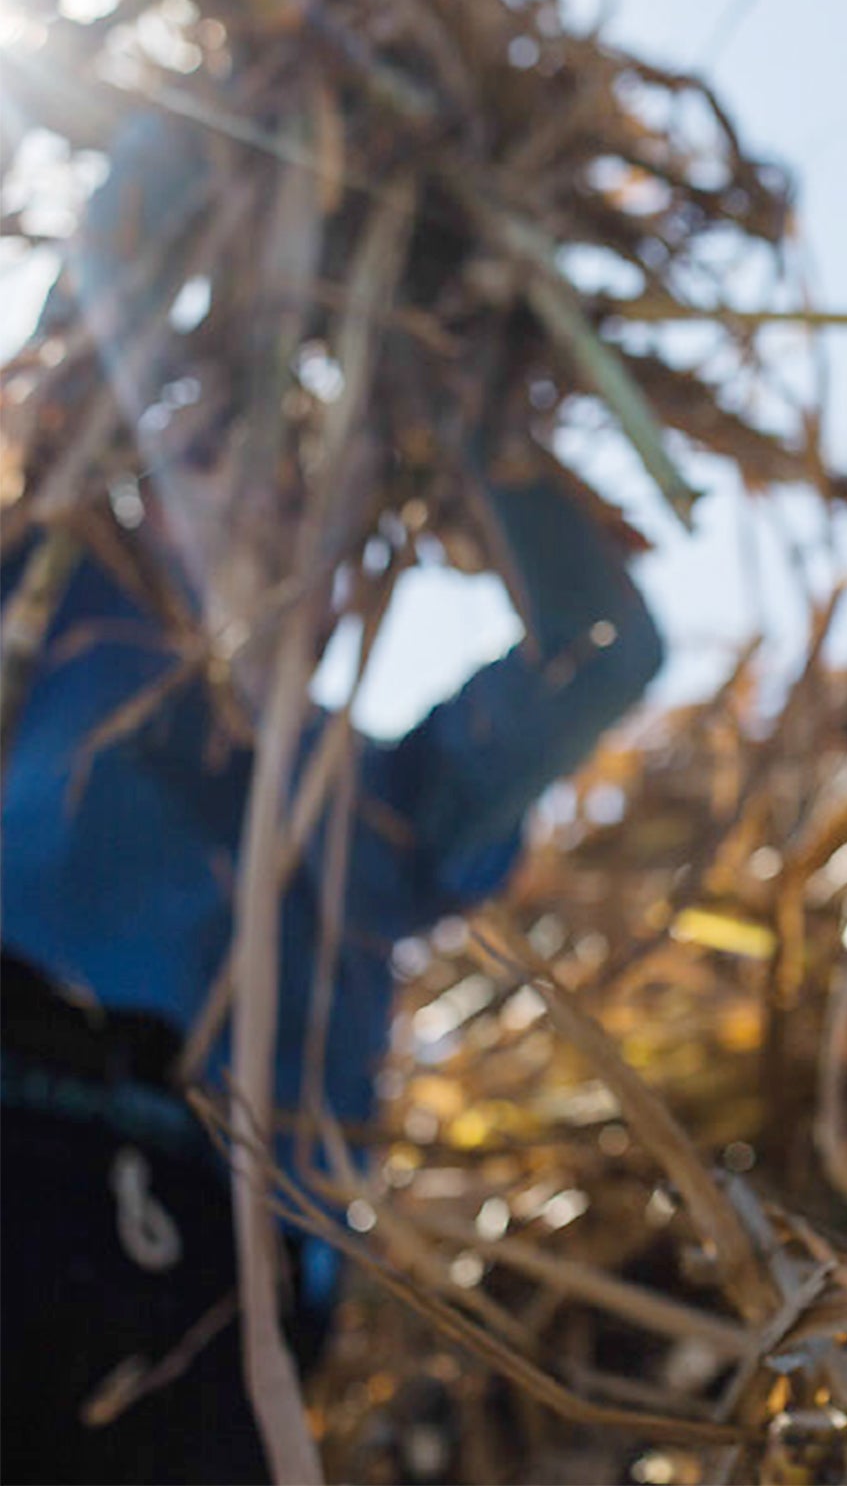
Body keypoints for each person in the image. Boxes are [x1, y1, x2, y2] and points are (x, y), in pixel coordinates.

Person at [1, 119, 664, 1482]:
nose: (246, 497)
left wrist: (452, 369)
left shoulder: (385, 798)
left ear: (356, 519)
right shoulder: (58, 617)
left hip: (222, 1317)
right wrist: (143, 217)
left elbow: (603, 653)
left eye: (298, 474)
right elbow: (51, 417)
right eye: (197, 453)